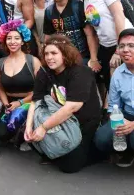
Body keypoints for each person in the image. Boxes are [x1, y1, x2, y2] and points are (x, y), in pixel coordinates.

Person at [25, 35, 101, 173]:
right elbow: (35, 100)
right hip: (58, 119)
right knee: (42, 147)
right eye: (46, 53)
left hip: (84, 121)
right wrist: (29, 127)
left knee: (68, 166)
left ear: (65, 54)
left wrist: (43, 128)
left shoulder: (81, 72)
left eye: (54, 53)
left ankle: (102, 151)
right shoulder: (44, 71)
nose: (49, 57)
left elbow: (72, 107)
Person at [70, 0, 133, 98]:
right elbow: (92, 32)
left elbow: (119, 15)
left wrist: (119, 48)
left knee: (129, 87)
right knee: (112, 87)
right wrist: (94, 58)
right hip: (105, 47)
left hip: (125, 42)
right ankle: (117, 118)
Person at [0, 19, 41, 146]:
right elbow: (0, 88)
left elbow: (40, 89)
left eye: (16, 38)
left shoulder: (33, 61)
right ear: (5, 40)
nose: (12, 42)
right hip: (10, 102)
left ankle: (26, 135)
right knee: (0, 134)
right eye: (9, 38)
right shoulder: (1, 63)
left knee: (17, 124)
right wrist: (6, 105)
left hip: (30, 101)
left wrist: (20, 103)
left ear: (22, 41)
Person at [94, 29, 134, 167]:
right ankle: (127, 149)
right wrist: (120, 121)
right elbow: (113, 106)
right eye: (121, 46)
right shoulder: (118, 73)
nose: (125, 50)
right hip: (126, 114)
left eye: (131, 46)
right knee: (101, 139)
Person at [44, 0, 100, 71]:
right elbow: (48, 37)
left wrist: (94, 59)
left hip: (82, 57)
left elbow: (90, 34)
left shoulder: (78, 6)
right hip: (61, 59)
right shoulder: (49, 11)